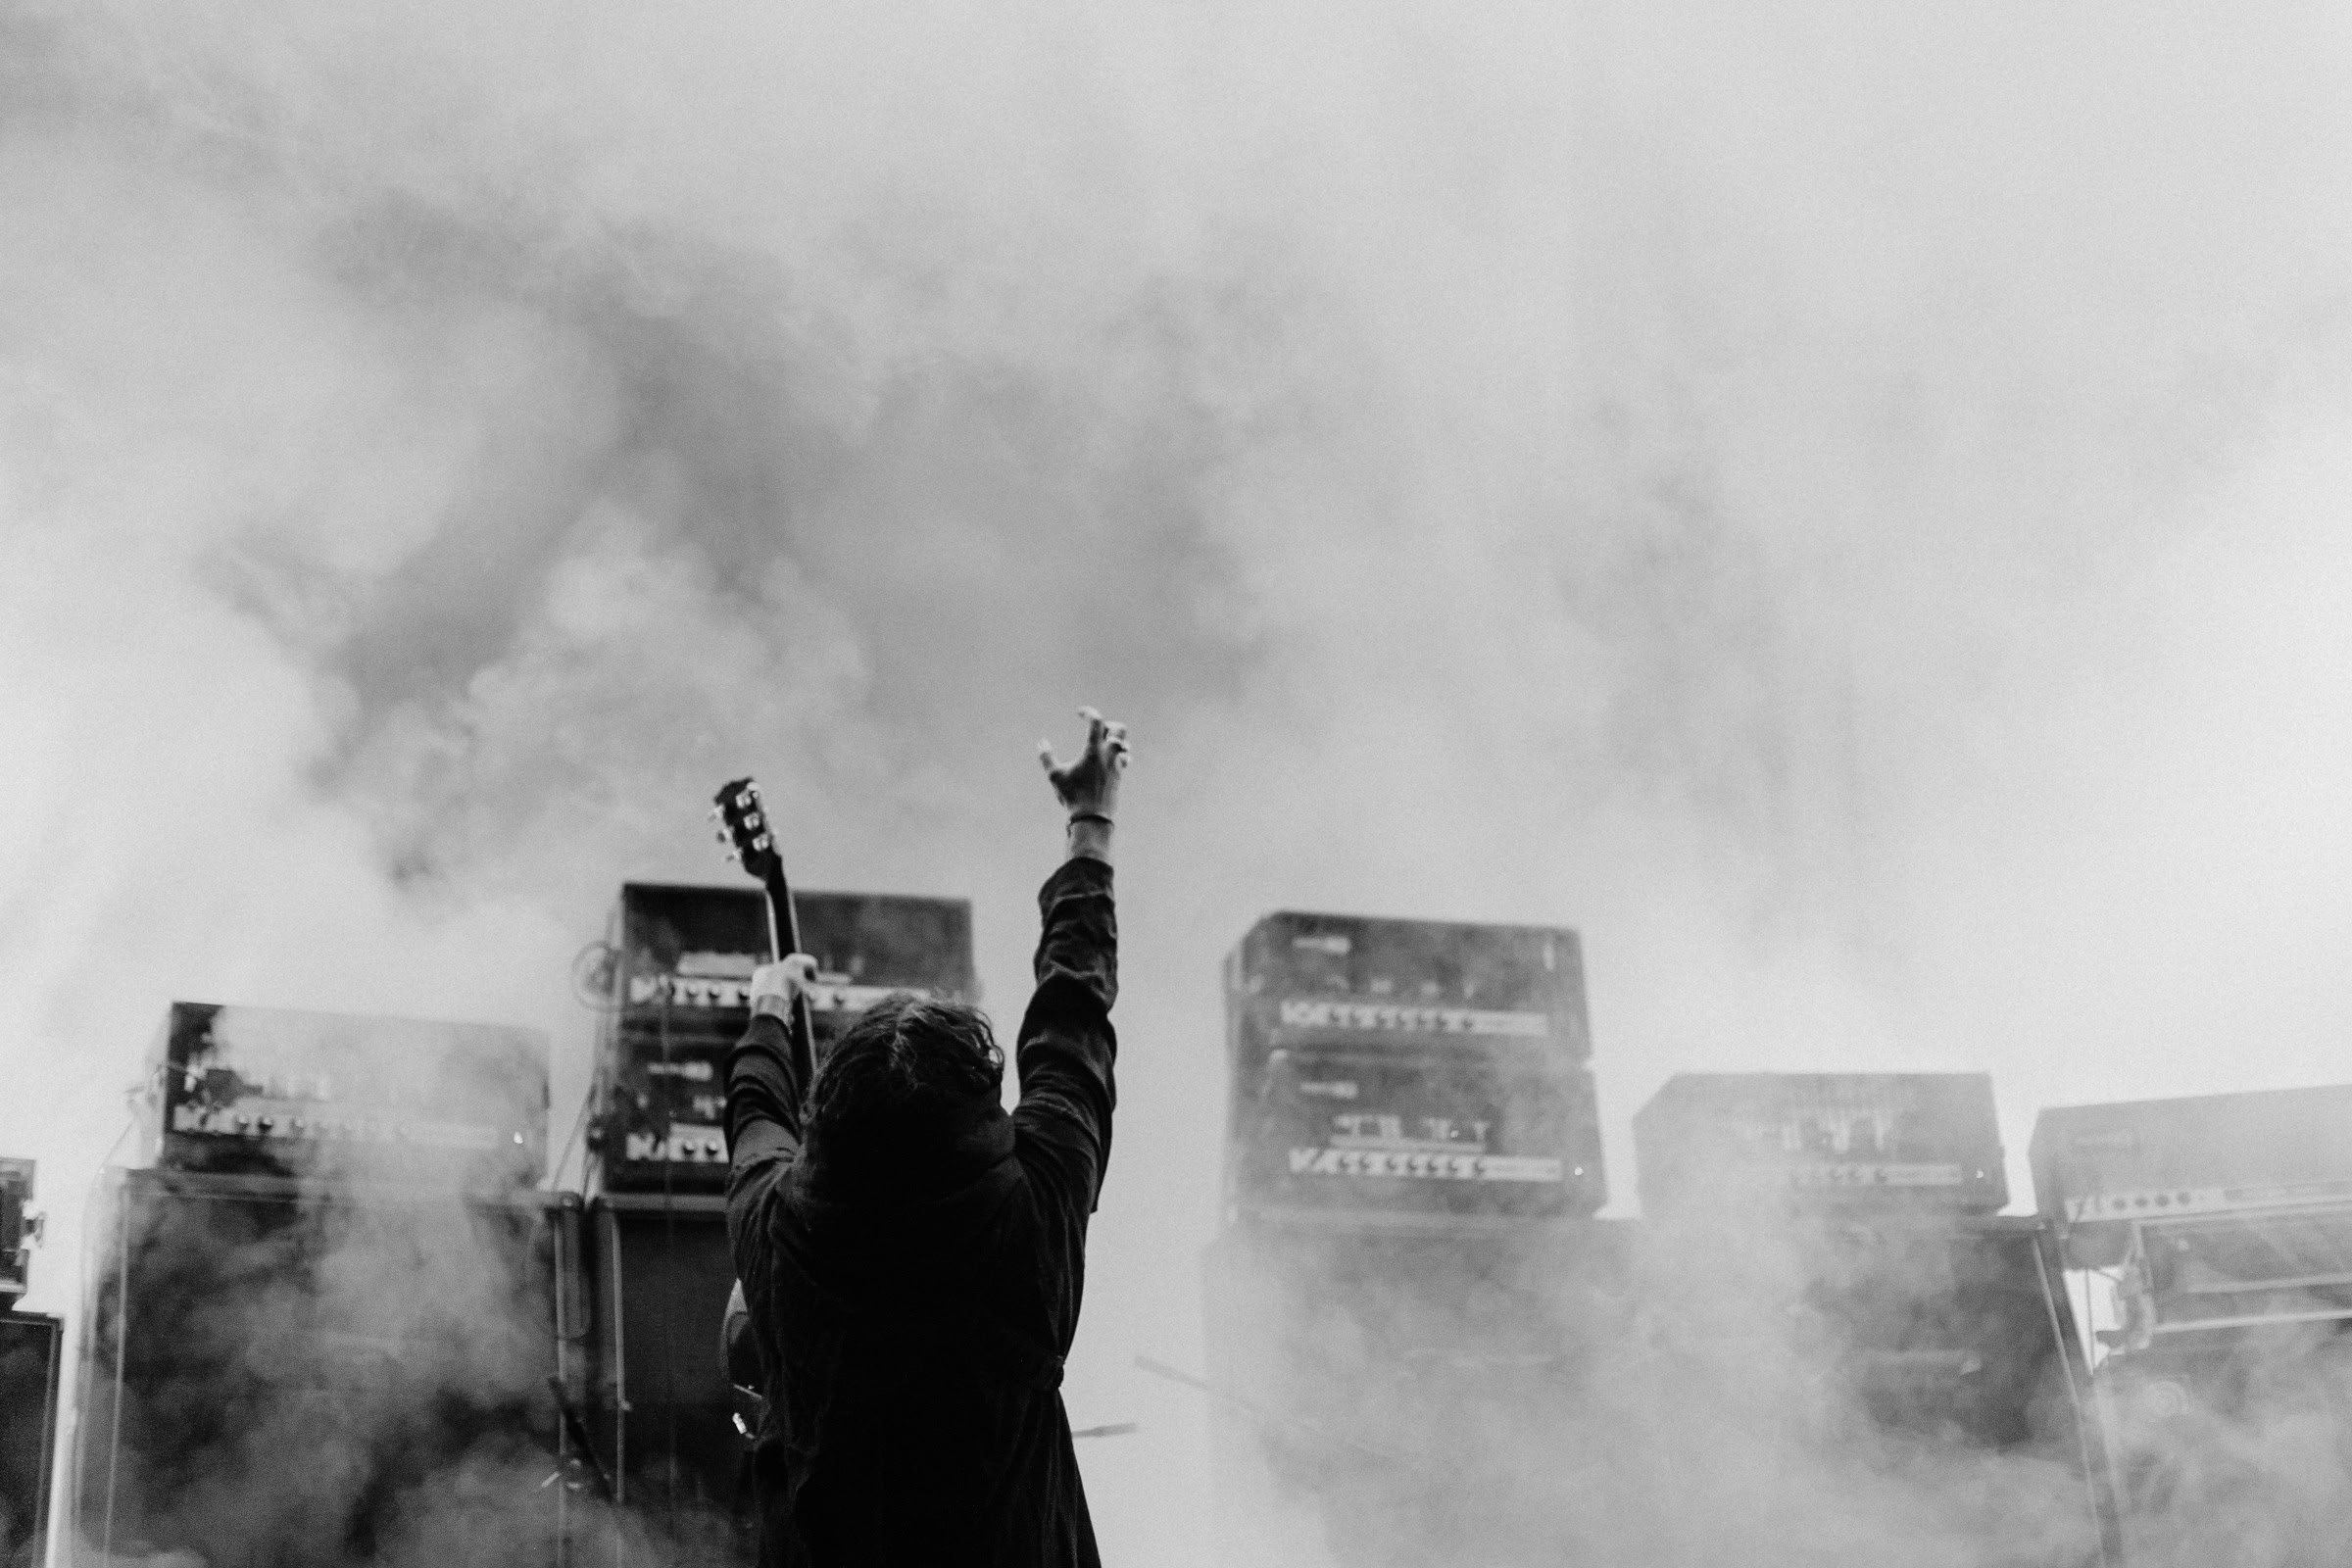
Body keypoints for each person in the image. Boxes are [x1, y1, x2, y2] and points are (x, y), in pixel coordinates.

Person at [723, 708, 1130, 1567]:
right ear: (982, 1108)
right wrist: (1089, 824)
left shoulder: (778, 1226)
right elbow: (1072, 1014)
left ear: (829, 1113)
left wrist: (767, 1003)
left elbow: (755, 1113)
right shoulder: (1039, 1206)